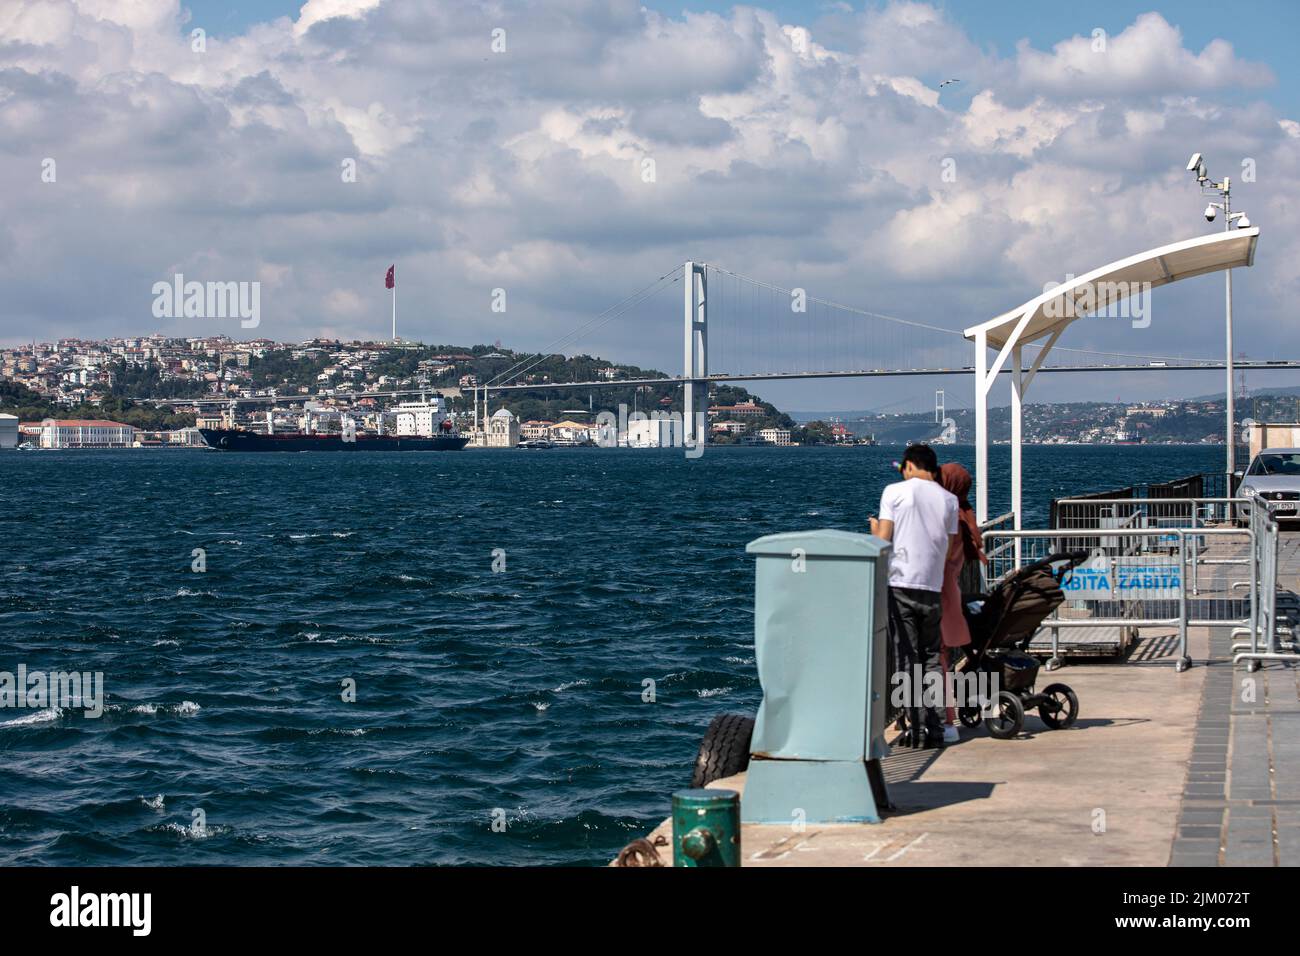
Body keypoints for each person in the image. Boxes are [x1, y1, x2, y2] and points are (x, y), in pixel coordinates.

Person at [869, 444, 958, 748]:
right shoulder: (950, 500)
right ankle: (934, 727)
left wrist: (873, 529)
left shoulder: (894, 492)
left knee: (905, 659)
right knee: (931, 658)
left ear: (908, 466)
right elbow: (946, 545)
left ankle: (915, 728)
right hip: (932, 586)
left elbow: (882, 540)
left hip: (901, 584)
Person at [937, 462, 986, 743]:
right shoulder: (963, 514)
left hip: (937, 594)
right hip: (951, 592)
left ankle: (945, 721)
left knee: (936, 659)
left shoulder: (949, 518)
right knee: (940, 658)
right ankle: (941, 718)